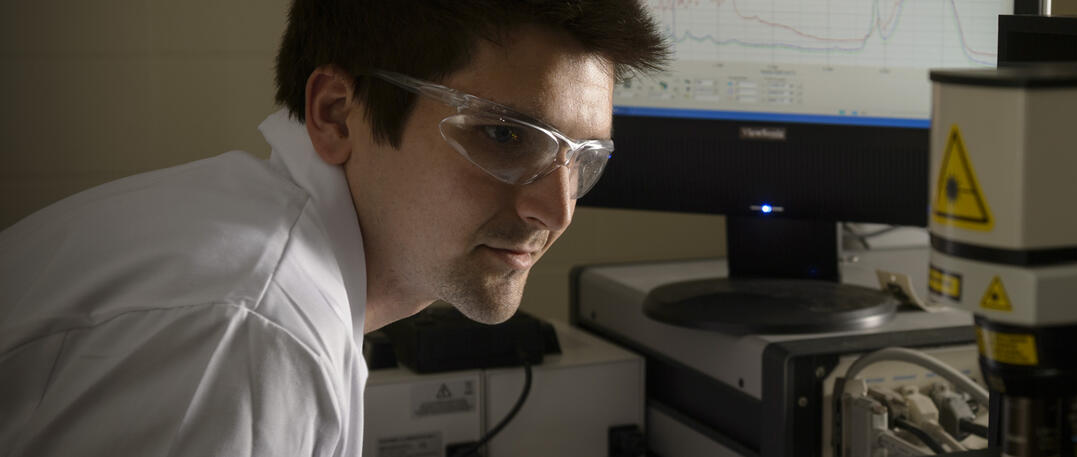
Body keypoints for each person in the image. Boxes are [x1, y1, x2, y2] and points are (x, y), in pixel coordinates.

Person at [0, 1, 668, 455]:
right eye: (504, 134)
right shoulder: (253, 329)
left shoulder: (266, 265)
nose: (556, 210)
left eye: (583, 161)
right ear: (336, 114)